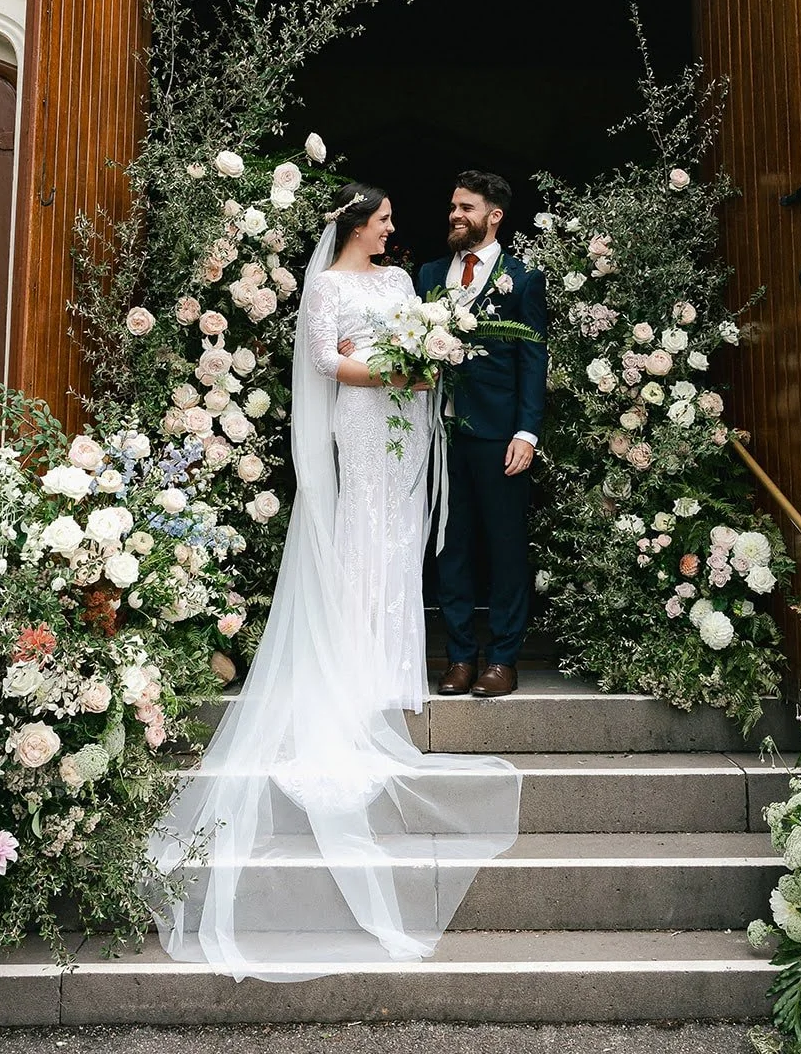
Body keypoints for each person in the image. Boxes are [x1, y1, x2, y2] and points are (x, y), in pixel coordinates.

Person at [148, 182, 520, 980]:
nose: (395, 227)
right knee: (362, 535)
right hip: (363, 420)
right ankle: (354, 665)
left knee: (401, 543)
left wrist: (427, 365)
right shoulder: (326, 286)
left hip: (411, 423)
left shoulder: (398, 282)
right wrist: (399, 370)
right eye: (384, 218)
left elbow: (427, 336)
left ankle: (395, 666)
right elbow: (327, 359)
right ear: (357, 225)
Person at [418, 170, 547, 699]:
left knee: (505, 547)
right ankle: (460, 657)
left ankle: (503, 658)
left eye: (466, 207)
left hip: (498, 435)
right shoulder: (427, 274)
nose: (455, 215)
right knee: (452, 548)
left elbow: (533, 360)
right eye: (453, 206)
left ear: (494, 216)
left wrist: (527, 431)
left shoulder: (522, 279)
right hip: (439, 433)